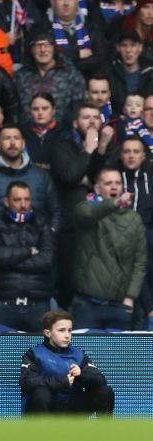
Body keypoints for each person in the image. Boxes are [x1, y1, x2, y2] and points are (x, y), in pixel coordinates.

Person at [50, 102, 116, 307]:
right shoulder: (62, 144)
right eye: (86, 117)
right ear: (75, 122)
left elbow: (103, 181)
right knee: (69, 276)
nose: (92, 121)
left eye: (96, 117)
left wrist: (102, 148)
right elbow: (69, 176)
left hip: (100, 224)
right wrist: (88, 151)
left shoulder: (108, 143)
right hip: (70, 224)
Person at [71, 167, 146, 330]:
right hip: (87, 304)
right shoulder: (85, 207)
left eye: (118, 183)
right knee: (83, 355)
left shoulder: (135, 219)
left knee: (116, 356)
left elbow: (140, 263)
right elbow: (87, 216)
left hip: (120, 307)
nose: (114, 187)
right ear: (97, 189)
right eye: (109, 183)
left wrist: (130, 297)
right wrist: (115, 203)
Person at [0, 181, 54, 332]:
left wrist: (9, 260)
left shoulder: (42, 221)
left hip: (38, 305)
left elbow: (47, 259)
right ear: (6, 201)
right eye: (17, 200)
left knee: (40, 355)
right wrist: (29, 251)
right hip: (4, 304)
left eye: (27, 199)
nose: (23, 205)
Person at [20, 310, 115, 415]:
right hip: (48, 408)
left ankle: (103, 430)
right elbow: (27, 382)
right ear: (48, 333)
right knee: (41, 393)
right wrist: (61, 382)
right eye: (62, 330)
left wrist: (81, 374)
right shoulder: (34, 354)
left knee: (105, 391)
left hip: (72, 407)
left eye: (69, 330)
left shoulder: (78, 354)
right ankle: (40, 430)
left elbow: (100, 379)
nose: (67, 335)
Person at [0, 124, 61, 231]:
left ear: (23, 144)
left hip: (40, 245)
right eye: (7, 138)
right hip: (0, 246)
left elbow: (56, 212)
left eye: (16, 138)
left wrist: (49, 237)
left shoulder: (42, 176)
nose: (13, 143)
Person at [14, 29, 86, 126]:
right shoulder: (20, 75)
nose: (43, 50)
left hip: (62, 134)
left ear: (54, 48)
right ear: (31, 49)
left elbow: (79, 104)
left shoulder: (70, 73)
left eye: (47, 45)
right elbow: (13, 107)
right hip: (28, 134)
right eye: (38, 45)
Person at [118, 137, 153, 330]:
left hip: (146, 236)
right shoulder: (113, 177)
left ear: (143, 155)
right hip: (117, 238)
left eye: (136, 151)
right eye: (127, 151)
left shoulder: (151, 177)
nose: (131, 155)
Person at [21, 92, 69, 172]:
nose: (40, 113)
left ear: (53, 110)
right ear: (30, 111)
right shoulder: (22, 133)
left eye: (45, 108)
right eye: (35, 109)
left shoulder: (64, 133)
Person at [108, 29, 153, 113]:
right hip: (117, 122)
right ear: (118, 48)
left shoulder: (151, 72)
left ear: (140, 48)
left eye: (133, 45)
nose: (128, 50)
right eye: (124, 45)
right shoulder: (110, 72)